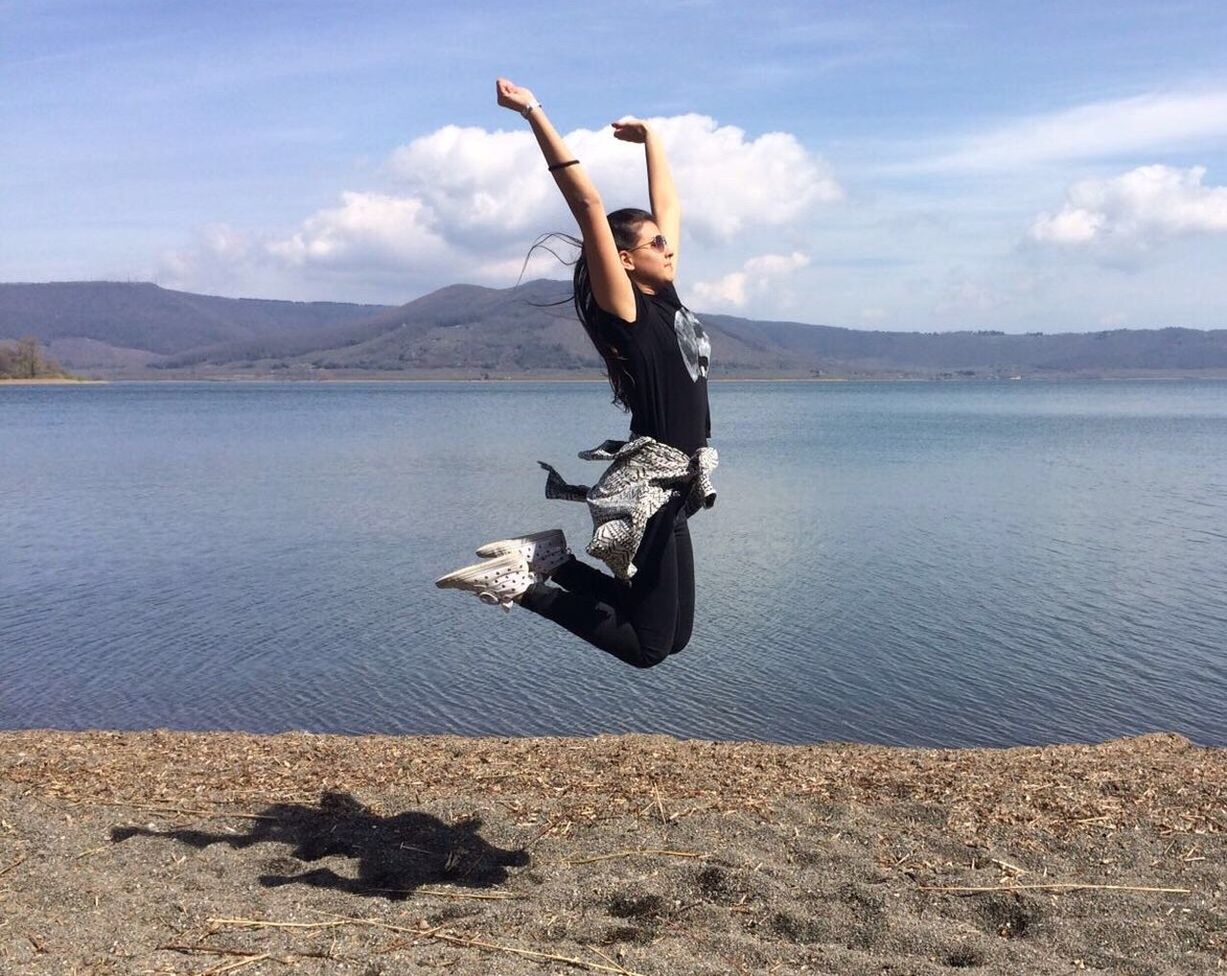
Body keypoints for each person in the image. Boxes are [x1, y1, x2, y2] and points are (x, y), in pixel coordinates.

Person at [435, 78, 716, 669]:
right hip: (653, 488)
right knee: (647, 648)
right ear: (623, 259)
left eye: (666, 242)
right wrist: (533, 112)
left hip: (678, 484)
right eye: (655, 244)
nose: (669, 248)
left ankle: (551, 564)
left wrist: (653, 141)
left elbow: (671, 208)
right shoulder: (630, 311)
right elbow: (587, 204)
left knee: (674, 636)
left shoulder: (666, 298)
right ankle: (523, 586)